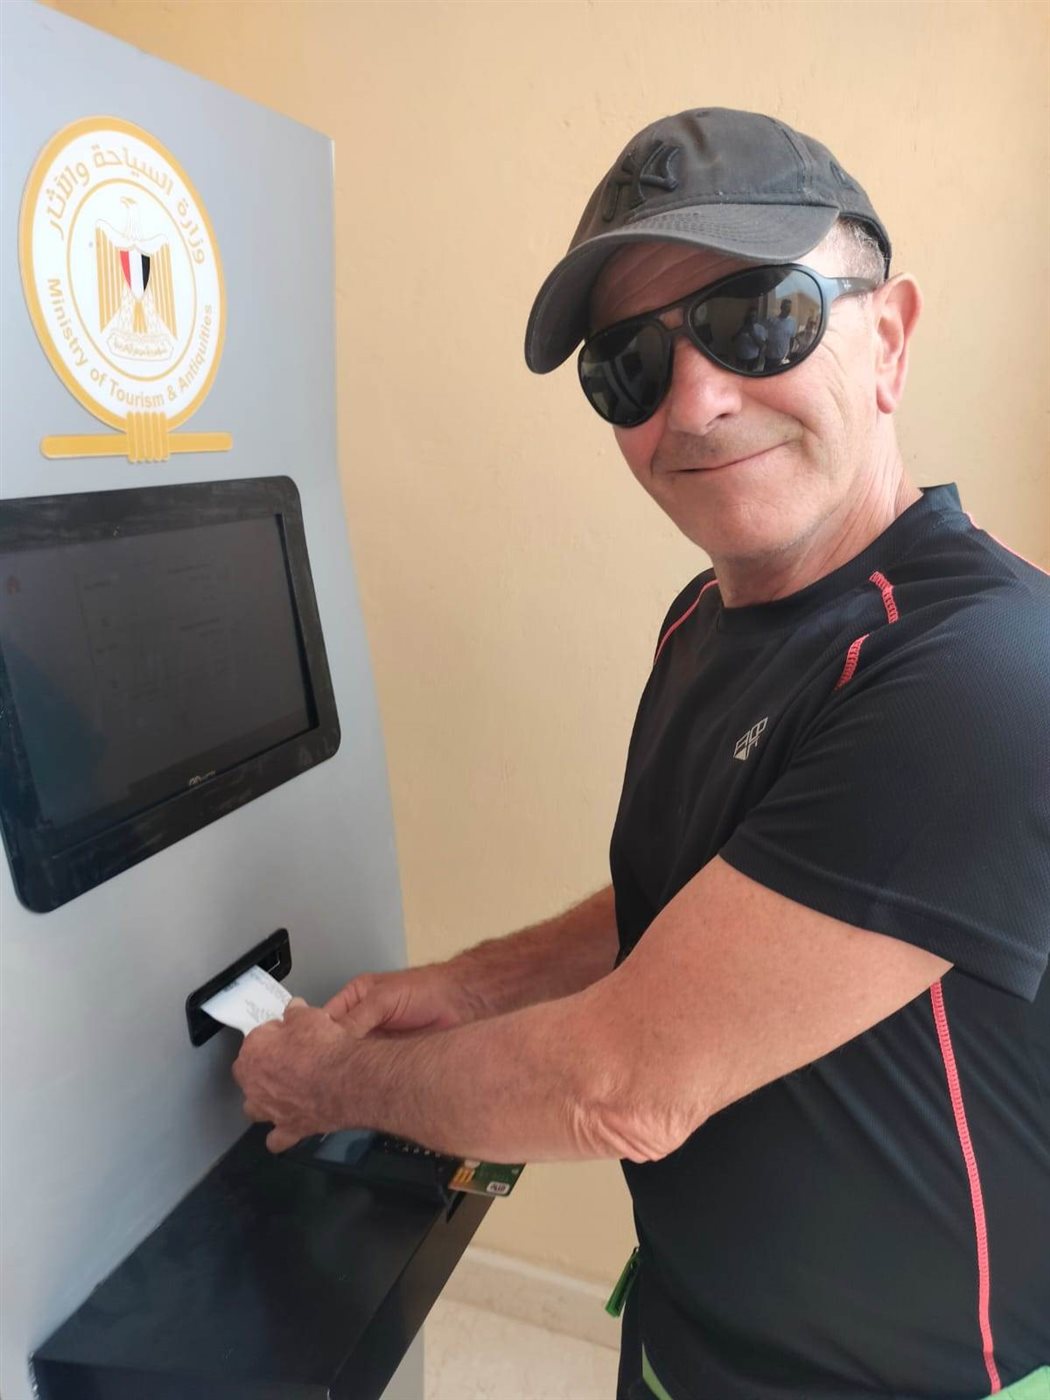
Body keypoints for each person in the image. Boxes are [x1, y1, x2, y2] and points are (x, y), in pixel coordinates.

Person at [232, 107, 1050, 1400]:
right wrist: (470, 986)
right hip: (688, 1333)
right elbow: (699, 902)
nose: (697, 400)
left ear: (888, 339)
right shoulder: (705, 617)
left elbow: (626, 1086)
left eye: (759, 318)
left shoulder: (980, 674)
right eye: (630, 364)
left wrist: (336, 1085)